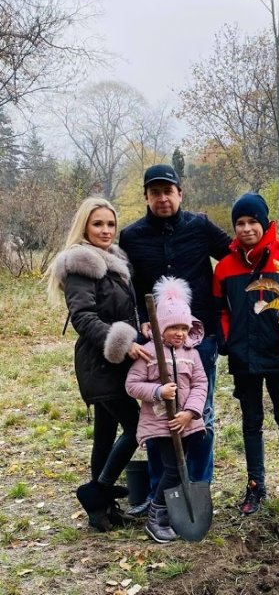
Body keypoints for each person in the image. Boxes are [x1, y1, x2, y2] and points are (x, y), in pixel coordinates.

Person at [119, 164, 232, 494]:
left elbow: (233, 255)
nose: (162, 198)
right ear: (146, 197)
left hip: (200, 337)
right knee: (158, 418)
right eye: (155, 193)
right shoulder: (132, 236)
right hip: (154, 342)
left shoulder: (200, 226)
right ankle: (162, 493)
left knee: (199, 412)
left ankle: (198, 487)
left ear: (180, 194)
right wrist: (139, 317)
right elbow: (129, 285)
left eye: (168, 191)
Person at [47, 197, 150, 531]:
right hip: (100, 362)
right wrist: (125, 343)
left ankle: (101, 510)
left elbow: (123, 309)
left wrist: (141, 329)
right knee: (138, 426)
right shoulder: (81, 264)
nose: (106, 230)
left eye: (110, 224)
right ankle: (98, 491)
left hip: (116, 361)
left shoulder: (114, 260)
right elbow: (83, 316)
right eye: (98, 224)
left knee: (104, 436)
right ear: (84, 226)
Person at [213, 193, 279, 517]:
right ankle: (255, 487)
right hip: (244, 357)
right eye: (240, 223)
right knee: (251, 422)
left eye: (253, 222)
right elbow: (220, 310)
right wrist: (227, 340)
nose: (247, 228)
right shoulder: (225, 268)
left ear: (264, 224)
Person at [126, 277, 208, 543]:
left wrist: (191, 413)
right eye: (173, 327)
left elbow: (200, 383)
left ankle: (169, 513)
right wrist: (158, 392)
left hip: (184, 423)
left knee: (180, 468)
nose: (180, 333)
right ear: (161, 327)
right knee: (172, 469)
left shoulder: (191, 353)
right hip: (160, 425)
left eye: (184, 327)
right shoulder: (150, 353)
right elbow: (132, 385)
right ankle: (155, 517)